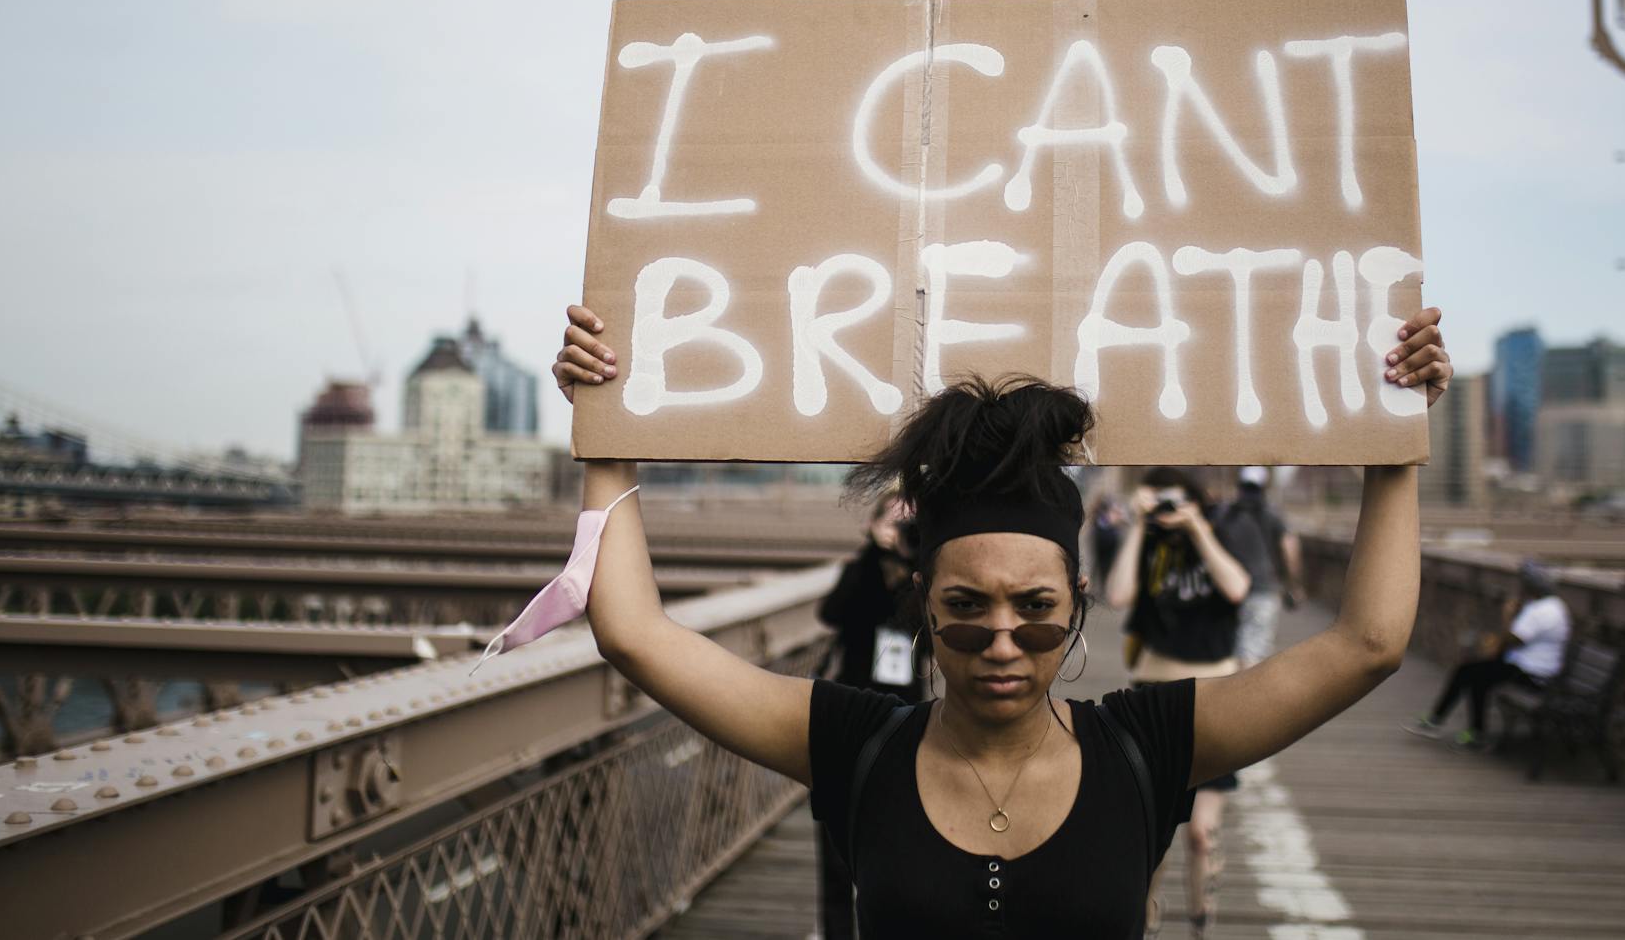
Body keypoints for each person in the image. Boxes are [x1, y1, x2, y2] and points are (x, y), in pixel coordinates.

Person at [551, 300, 1451, 940]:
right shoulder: (853, 742)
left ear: (1080, 605)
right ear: (924, 609)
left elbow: (1367, 643)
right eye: (965, 609)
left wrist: (1395, 440)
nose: (1004, 642)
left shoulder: (1146, 744)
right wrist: (607, 425)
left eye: (1038, 610)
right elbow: (634, 632)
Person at [1104, 466, 1262, 936]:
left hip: (1215, 698)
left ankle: (1200, 922)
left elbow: (1236, 588)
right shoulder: (1144, 541)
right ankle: (1148, 924)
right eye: (1157, 500)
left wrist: (1196, 527)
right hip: (1153, 698)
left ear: (1195, 499)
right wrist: (1138, 526)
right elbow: (1117, 596)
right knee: (1155, 838)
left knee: (1200, 833)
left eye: (1174, 500)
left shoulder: (1224, 530)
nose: (1166, 510)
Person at [812, 485, 922, 938]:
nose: (901, 531)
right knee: (836, 842)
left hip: (905, 719)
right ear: (875, 525)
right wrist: (872, 559)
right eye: (893, 521)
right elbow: (832, 613)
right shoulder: (860, 571)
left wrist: (912, 566)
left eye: (911, 523)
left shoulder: (927, 578)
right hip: (849, 712)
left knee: (894, 836)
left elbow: (933, 633)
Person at [1407, 560, 1571, 749]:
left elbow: (1514, 639)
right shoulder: (1553, 606)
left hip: (1533, 674)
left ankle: (1446, 723)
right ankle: (1460, 726)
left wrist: (1507, 614)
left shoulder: (1542, 611)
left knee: (1470, 673)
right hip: (1528, 667)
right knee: (1472, 673)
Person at [1227, 466, 1305, 669]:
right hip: (1264, 588)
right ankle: (1248, 696)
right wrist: (1293, 583)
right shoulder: (1273, 514)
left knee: (1235, 646)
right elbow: (1290, 548)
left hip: (1229, 590)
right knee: (1254, 647)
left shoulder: (1227, 514)